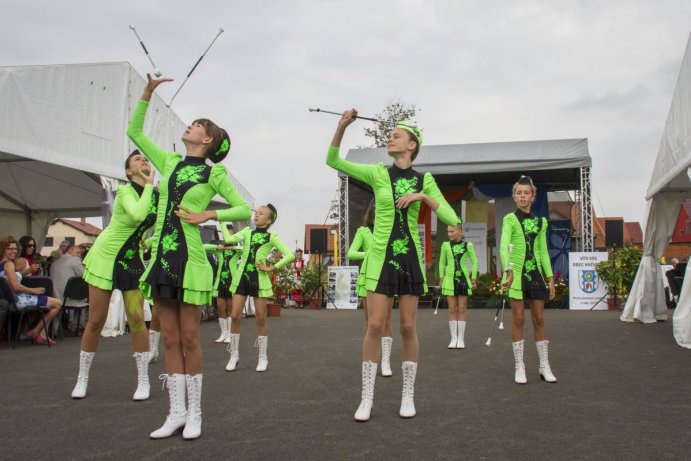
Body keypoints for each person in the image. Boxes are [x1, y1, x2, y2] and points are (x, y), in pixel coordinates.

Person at [128, 75, 251, 440]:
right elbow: (135, 132)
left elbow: (243, 206)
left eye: (198, 125)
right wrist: (148, 93)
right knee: (168, 339)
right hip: (162, 259)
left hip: (191, 258)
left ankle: (195, 412)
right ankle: (175, 412)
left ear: (208, 139)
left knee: (190, 338)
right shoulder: (167, 160)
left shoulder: (214, 172)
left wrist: (208, 215)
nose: (191, 126)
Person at [327, 110, 458, 421]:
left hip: (408, 257)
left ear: (411, 145)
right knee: (374, 325)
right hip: (380, 258)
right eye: (391, 135)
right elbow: (333, 161)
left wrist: (423, 197)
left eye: (397, 135)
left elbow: (453, 219)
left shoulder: (424, 179)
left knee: (408, 327)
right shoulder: (377, 173)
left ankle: (408, 395)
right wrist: (341, 127)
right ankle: (367, 398)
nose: (391, 137)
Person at [70, 150, 159, 402]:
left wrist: (148, 242)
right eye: (137, 160)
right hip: (105, 258)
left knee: (138, 319)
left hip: (131, 261)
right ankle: (82, 378)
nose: (143, 161)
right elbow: (138, 215)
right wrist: (151, 186)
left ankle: (143, 380)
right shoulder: (125, 192)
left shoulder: (155, 196)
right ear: (129, 172)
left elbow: (157, 227)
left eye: (145, 159)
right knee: (96, 321)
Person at [223, 204, 294, 373]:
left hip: (259, 280)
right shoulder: (247, 232)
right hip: (242, 278)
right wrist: (220, 220)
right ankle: (234, 355)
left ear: (269, 220)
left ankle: (263, 357)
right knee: (234, 316)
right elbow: (229, 239)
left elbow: (289, 254)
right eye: (256, 212)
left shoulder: (271, 237)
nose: (256, 215)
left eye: (261, 214)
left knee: (261, 318)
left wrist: (272, 268)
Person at [501, 175, 557, 385]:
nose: (523, 196)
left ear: (533, 197)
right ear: (514, 196)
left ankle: (544, 365)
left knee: (539, 319)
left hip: (535, 275)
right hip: (516, 274)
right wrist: (508, 270)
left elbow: (543, 252)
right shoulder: (509, 219)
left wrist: (549, 277)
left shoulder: (540, 222)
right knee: (518, 319)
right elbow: (504, 246)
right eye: (519, 193)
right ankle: (520, 366)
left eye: (527, 193)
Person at [347, 200, 395, 377]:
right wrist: (369, 254)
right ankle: (371, 360)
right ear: (372, 213)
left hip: (387, 276)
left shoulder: (392, 231)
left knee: (387, 320)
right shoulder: (363, 231)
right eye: (377, 212)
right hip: (368, 277)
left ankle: (386, 362)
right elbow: (351, 253)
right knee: (371, 322)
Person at [0, 236, 62, 345]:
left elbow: (11, 278)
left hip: (10, 300)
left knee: (51, 304)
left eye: (15, 249)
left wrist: (25, 272)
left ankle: (39, 332)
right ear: (3, 249)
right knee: (57, 303)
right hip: (19, 300)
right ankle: (36, 331)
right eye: (10, 249)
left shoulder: (2, 264)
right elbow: (15, 286)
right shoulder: (9, 264)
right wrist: (34, 290)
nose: (14, 251)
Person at [439, 220, 477, 349]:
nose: (449, 234)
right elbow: (441, 262)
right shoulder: (445, 245)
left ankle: (461, 339)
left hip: (463, 280)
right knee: (452, 309)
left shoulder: (468, 245)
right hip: (449, 280)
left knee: (462, 308)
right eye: (448, 231)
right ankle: (453, 338)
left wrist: (474, 278)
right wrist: (441, 277)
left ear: (460, 231)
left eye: (452, 231)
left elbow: (475, 262)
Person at [204, 223, 240, 343]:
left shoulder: (237, 251)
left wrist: (233, 248)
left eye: (231, 235)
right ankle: (223, 333)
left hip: (232, 281)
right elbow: (203, 246)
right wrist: (219, 248)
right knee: (220, 308)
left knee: (230, 308)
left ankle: (230, 333)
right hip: (220, 282)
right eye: (227, 235)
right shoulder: (219, 250)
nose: (228, 238)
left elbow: (245, 249)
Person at [50, 243, 85, 333]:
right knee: (83, 300)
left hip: (54, 296)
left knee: (60, 306)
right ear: (70, 251)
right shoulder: (75, 260)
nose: (79, 255)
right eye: (78, 252)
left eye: (80, 253)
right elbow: (84, 275)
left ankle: (55, 328)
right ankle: (77, 326)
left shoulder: (55, 262)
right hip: (69, 296)